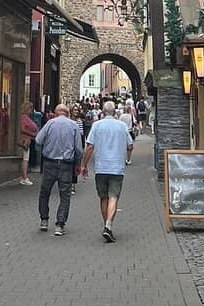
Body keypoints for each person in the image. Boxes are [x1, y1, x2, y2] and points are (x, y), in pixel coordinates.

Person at [79, 100, 133, 242]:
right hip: (117, 168)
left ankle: (106, 225)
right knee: (114, 196)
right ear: (115, 112)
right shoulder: (122, 126)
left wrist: (83, 165)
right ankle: (108, 226)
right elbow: (130, 145)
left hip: (101, 167)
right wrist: (127, 156)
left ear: (102, 112)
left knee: (103, 197)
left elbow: (89, 147)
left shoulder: (97, 125)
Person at [35, 103, 83, 235]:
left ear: (56, 113)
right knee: (65, 195)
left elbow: (38, 140)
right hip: (66, 165)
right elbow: (78, 149)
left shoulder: (50, 124)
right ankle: (60, 225)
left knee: (45, 192)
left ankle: (44, 220)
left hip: (49, 163)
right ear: (67, 113)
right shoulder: (73, 125)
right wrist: (78, 164)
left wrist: (46, 147)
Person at [18, 101, 38, 186]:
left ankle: (24, 177)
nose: (31, 110)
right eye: (30, 108)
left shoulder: (27, 117)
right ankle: (24, 178)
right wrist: (33, 134)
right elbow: (22, 129)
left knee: (26, 158)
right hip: (25, 140)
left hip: (29, 140)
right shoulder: (24, 117)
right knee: (25, 159)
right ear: (27, 109)